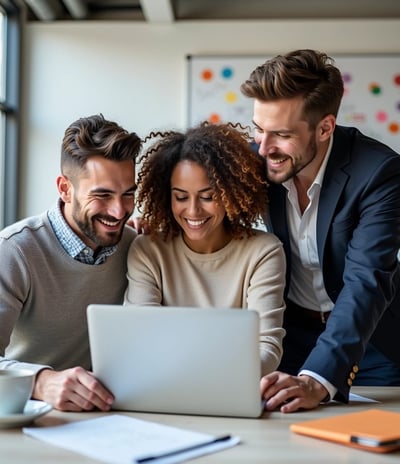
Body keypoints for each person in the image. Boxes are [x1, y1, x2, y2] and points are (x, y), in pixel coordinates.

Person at [240, 49, 400, 412]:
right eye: (258, 129)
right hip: (289, 333)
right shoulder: (256, 159)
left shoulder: (379, 173)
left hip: (370, 340)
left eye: (281, 134)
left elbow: (367, 280)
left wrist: (318, 378)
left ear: (325, 127)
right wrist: (154, 226)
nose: (263, 149)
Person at [0, 114, 142, 411]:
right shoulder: (15, 250)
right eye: (102, 195)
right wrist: (40, 382)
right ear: (65, 188)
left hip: (110, 415)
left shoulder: (137, 247)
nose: (119, 212)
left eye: (128, 194)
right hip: (34, 417)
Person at [124, 121, 286, 376]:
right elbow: (141, 338)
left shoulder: (263, 252)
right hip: (166, 385)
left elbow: (267, 347)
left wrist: (216, 376)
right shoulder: (148, 250)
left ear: (231, 193)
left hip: (232, 387)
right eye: (181, 197)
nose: (193, 211)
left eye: (208, 197)